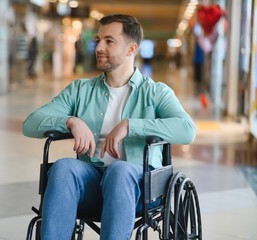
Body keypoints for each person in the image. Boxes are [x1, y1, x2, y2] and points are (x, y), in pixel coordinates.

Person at [23, 14, 196, 240]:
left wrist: (131, 126)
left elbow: (187, 130)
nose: (99, 47)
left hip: (139, 187)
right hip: (92, 180)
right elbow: (30, 124)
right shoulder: (80, 90)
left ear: (131, 49)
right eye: (99, 40)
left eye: (109, 41)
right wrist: (70, 121)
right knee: (64, 167)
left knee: (119, 170)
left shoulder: (155, 93)